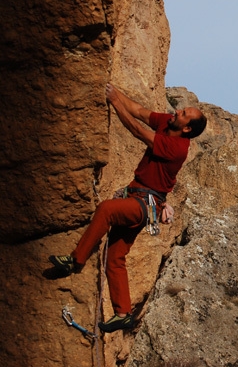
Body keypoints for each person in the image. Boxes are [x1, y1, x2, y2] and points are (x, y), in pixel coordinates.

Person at [49, 83, 206, 332]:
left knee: (107, 210)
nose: (177, 111)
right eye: (181, 109)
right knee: (115, 258)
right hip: (138, 198)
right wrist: (111, 89)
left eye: (184, 114)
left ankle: (74, 261)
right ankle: (123, 313)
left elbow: (136, 129)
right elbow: (141, 112)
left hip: (145, 204)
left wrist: (115, 102)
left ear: (187, 128)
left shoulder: (177, 148)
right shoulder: (168, 123)